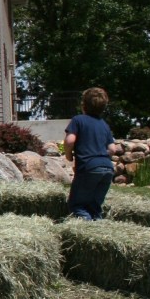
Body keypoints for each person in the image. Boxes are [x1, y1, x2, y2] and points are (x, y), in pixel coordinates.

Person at [64, 87, 119, 220]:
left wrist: (68, 155)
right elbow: (113, 149)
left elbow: (70, 140)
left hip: (88, 167)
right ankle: (97, 231)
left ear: (83, 105)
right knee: (95, 207)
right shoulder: (104, 124)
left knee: (78, 206)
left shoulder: (78, 120)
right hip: (107, 168)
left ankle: (85, 231)